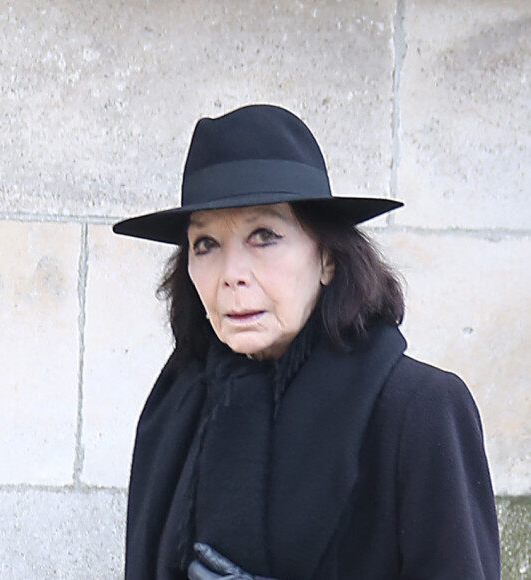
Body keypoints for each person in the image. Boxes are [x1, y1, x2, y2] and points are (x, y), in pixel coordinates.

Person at [113, 104, 500, 580]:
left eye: (264, 236)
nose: (231, 276)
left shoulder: (418, 408)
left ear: (327, 259)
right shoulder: (176, 404)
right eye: (205, 244)